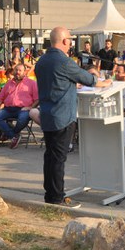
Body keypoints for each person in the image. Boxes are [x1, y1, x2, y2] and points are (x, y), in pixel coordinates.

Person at [35, 26, 111, 208]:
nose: (71, 43)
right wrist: (105, 82)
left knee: (50, 157)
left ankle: (50, 194)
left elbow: (56, 82)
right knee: (58, 159)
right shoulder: (64, 61)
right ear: (64, 41)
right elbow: (88, 79)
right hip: (62, 116)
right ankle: (57, 198)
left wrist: (69, 84)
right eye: (70, 40)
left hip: (48, 114)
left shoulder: (42, 61)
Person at [0, 63, 40, 148]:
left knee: (22, 118)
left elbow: (37, 99)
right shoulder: (8, 83)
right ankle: (14, 136)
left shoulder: (32, 83)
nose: (17, 72)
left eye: (20, 70)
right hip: (8, 109)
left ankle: (10, 134)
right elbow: (0, 99)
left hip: (23, 109)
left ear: (24, 72)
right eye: (16, 70)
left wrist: (31, 107)